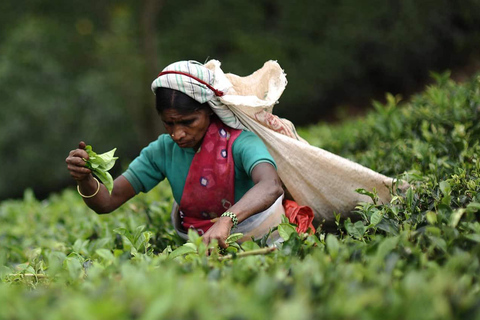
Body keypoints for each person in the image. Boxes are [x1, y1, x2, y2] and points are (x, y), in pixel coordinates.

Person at [66, 61, 288, 248]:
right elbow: (107, 201)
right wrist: (85, 178)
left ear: (209, 110)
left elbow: (271, 185)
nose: (177, 134)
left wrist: (226, 220)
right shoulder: (163, 151)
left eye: (188, 122)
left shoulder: (241, 142)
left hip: (262, 238)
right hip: (197, 247)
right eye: (168, 124)